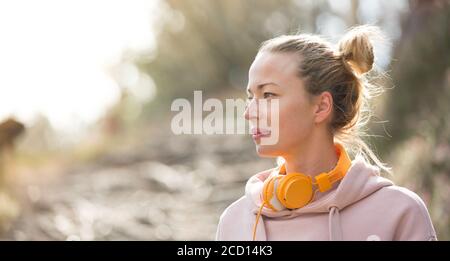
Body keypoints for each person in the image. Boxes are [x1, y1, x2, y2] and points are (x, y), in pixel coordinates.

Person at [215, 25, 437, 241]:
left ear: (321, 107)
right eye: (250, 97)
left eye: (269, 95)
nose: (249, 113)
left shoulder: (400, 213)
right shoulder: (235, 222)